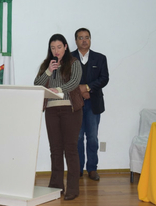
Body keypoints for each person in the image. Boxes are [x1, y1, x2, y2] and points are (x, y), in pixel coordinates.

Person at [34, 34, 84, 200]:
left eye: (59, 47)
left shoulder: (74, 63)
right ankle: (55, 187)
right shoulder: (47, 65)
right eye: (53, 48)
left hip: (70, 110)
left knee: (70, 149)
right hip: (51, 110)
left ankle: (72, 189)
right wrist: (48, 71)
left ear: (66, 47)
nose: (56, 51)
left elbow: (75, 82)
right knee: (55, 150)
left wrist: (60, 89)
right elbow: (37, 84)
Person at [71, 28, 109, 181]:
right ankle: (78, 169)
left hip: (93, 103)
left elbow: (104, 78)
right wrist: (79, 91)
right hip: (75, 103)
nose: (84, 40)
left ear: (90, 40)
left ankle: (92, 169)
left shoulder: (100, 58)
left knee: (92, 137)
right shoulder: (69, 58)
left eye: (87, 37)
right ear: (76, 41)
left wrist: (87, 88)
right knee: (78, 137)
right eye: (81, 37)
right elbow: (65, 79)